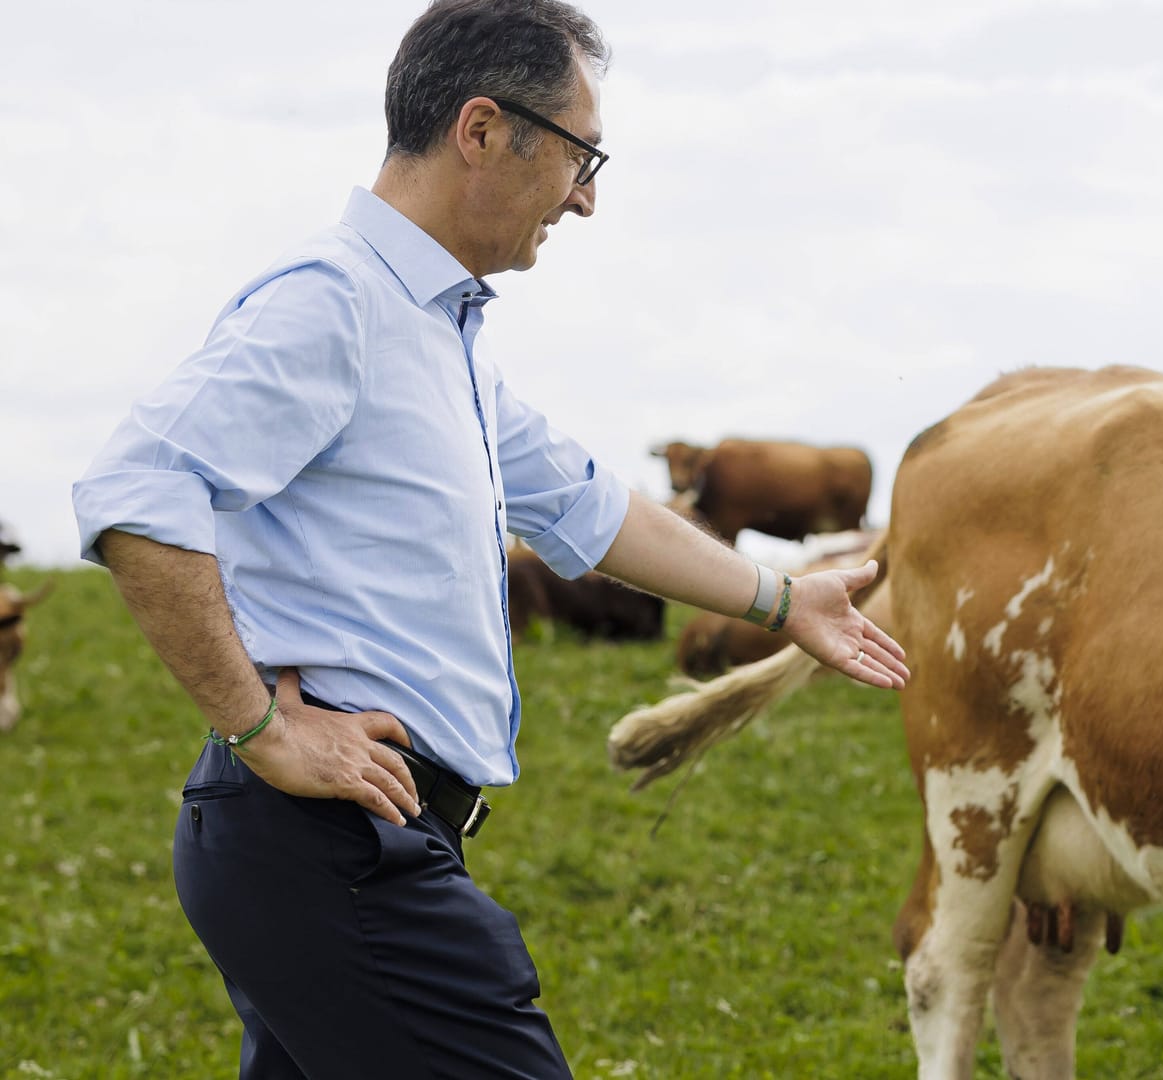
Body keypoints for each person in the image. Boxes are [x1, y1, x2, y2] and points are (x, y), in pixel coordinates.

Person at [70, 1, 909, 1076]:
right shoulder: (334, 304)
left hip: (339, 840)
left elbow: (587, 504)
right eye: (580, 155)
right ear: (481, 129)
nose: (588, 197)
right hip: (331, 843)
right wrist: (258, 728)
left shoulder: (437, 332)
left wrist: (788, 600)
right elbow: (138, 490)